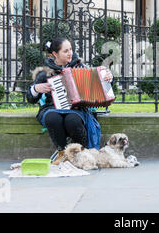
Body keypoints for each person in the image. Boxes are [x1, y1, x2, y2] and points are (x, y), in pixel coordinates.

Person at [26, 36, 113, 165]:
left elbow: (98, 80)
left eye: (71, 49)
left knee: (72, 120)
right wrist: (36, 88)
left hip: (77, 109)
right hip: (52, 108)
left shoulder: (80, 67)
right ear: (55, 54)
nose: (70, 53)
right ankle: (62, 153)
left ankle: (82, 153)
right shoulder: (46, 73)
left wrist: (108, 77)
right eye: (65, 51)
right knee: (52, 117)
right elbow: (30, 98)